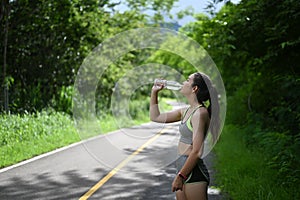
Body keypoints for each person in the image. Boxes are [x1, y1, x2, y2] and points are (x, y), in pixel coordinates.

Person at [150, 72, 220, 200]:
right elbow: (156, 117)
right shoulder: (186, 111)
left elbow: (197, 151)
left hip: (193, 171)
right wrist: (154, 93)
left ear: (194, 88)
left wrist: (181, 176)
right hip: (182, 167)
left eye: (187, 80)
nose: (183, 83)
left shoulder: (200, 113)